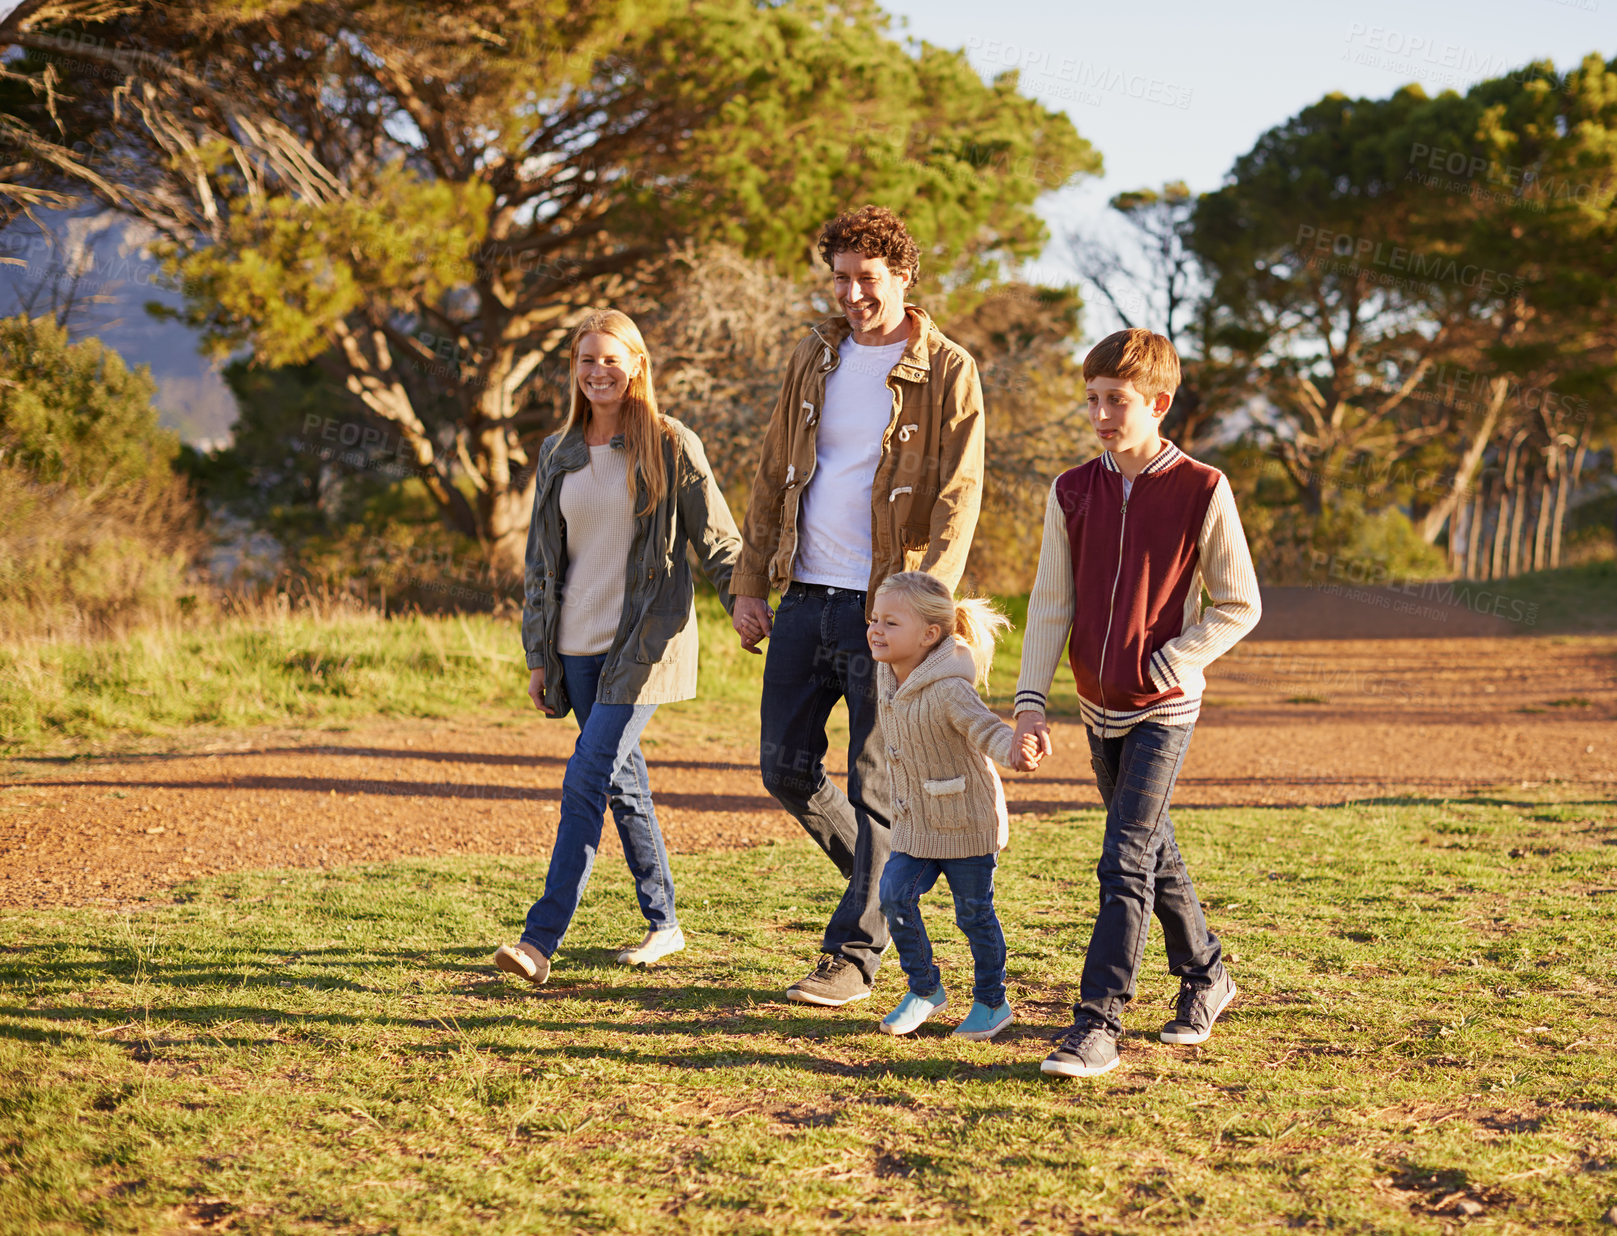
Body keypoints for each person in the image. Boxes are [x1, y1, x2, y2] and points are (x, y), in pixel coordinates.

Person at [730, 205, 986, 1008]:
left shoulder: (946, 368)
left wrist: (921, 610)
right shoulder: (815, 356)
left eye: (866, 279)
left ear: (903, 277)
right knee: (784, 768)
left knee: (876, 785)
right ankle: (887, 886)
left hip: (888, 607)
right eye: (839, 278)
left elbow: (958, 494)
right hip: (805, 593)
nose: (851, 293)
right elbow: (774, 469)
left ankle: (852, 954)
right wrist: (747, 582)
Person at [1012, 328, 1262, 1078]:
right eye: (1090, 399)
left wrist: (1173, 658)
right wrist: (1030, 703)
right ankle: (1207, 974)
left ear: (1156, 402)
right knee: (1150, 846)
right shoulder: (1070, 490)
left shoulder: (1202, 487)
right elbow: (1049, 603)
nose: (1098, 414)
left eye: (1114, 401)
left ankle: (1096, 1026)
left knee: (1122, 857)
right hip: (1096, 705)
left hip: (1164, 706)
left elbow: (1237, 603)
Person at [492, 309, 743, 987]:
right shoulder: (558, 451)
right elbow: (541, 562)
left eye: (611, 359)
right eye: (586, 360)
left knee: (585, 778)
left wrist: (747, 600)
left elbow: (717, 541)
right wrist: (538, 656)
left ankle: (539, 939)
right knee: (621, 785)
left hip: (645, 642)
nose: (598, 371)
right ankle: (664, 923)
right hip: (574, 647)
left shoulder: (670, 443)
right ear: (574, 371)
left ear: (636, 365)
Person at [867, 572, 1040, 1041]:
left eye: (890, 623)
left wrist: (1014, 749)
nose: (876, 630)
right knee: (894, 895)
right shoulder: (886, 673)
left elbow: (986, 728)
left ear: (929, 635)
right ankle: (925, 989)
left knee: (974, 914)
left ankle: (991, 1000)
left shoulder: (948, 688)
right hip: (916, 824)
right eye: (874, 619)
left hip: (966, 823)